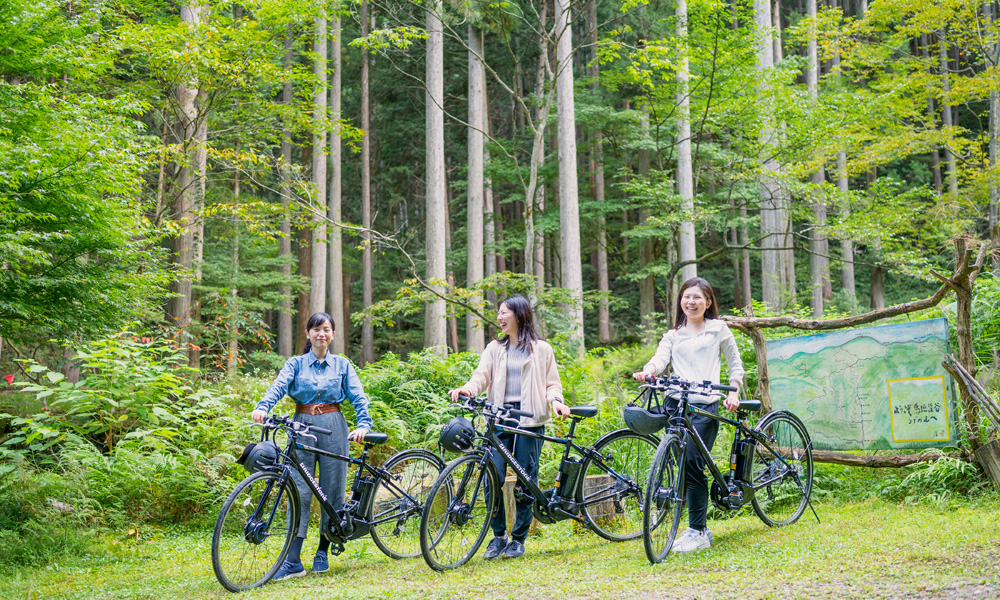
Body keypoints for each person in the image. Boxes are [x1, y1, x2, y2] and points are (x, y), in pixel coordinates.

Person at [251, 312, 372, 580]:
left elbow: (359, 397)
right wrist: (263, 407)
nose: (321, 334)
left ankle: (323, 550)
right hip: (301, 425)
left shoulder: (342, 365)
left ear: (333, 334)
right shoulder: (295, 364)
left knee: (332, 489)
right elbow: (277, 388)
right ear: (307, 334)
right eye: (316, 329)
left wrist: (363, 424)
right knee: (299, 490)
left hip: (333, 426)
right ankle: (293, 559)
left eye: (326, 329)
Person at [448, 294, 571, 560]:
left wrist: (557, 402)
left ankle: (518, 539)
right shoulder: (495, 348)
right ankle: (498, 536)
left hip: (530, 419)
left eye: (504, 312)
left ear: (519, 315)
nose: (500, 317)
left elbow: (552, 384)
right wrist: (467, 390)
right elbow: (481, 376)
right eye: (499, 313)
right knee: (493, 477)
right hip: (499, 418)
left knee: (527, 480)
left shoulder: (542, 349)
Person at [632, 277, 744, 553]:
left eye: (697, 298)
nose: (690, 302)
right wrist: (649, 371)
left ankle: (698, 531)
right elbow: (659, 359)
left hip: (704, 405)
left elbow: (735, 364)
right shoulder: (673, 334)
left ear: (708, 303)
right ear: (680, 301)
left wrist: (734, 392)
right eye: (686, 297)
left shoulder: (718, 329)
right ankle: (697, 525)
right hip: (675, 404)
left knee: (693, 463)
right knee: (681, 465)